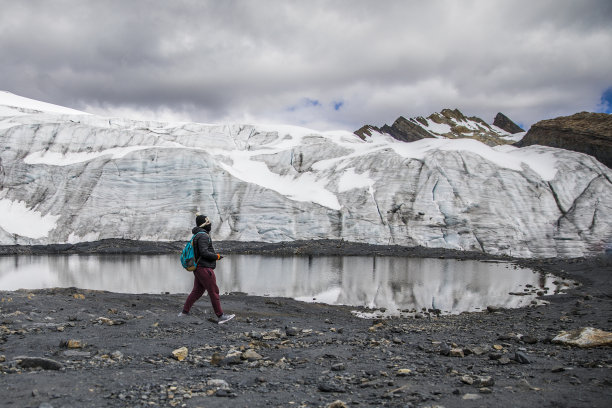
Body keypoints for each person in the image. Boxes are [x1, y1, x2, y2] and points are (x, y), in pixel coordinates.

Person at [179, 214, 235, 324]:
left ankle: (184, 313)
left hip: (198, 268)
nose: (210, 224)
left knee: (197, 291)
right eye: (208, 223)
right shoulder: (204, 236)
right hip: (204, 268)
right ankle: (221, 316)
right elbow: (204, 252)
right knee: (213, 291)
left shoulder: (196, 235)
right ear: (204, 224)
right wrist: (217, 256)